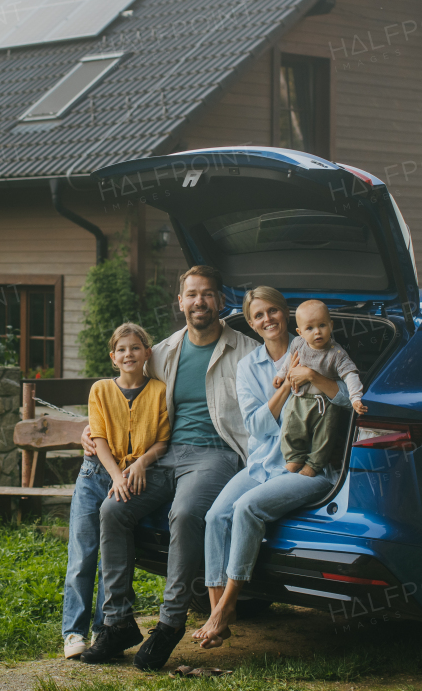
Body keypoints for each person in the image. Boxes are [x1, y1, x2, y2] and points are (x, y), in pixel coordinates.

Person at [81, 265, 257, 671]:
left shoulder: (246, 351)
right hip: (165, 455)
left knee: (185, 512)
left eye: (207, 294)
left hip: (217, 455)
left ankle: (170, 622)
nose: (199, 301)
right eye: (191, 294)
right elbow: (124, 390)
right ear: (180, 302)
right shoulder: (162, 351)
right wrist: (90, 430)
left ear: (221, 301)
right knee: (113, 510)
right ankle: (119, 621)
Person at [194, 288, 355, 649]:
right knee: (215, 516)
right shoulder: (248, 366)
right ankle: (216, 610)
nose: (268, 320)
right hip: (262, 462)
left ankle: (228, 605)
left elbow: (347, 399)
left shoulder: (322, 346)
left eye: (274, 312)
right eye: (260, 315)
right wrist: (285, 384)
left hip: (308, 468)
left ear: (287, 315)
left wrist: (311, 374)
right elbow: (257, 426)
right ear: (252, 324)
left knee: (247, 508)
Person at [63, 322, 170, 659]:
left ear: (147, 353)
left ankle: (103, 630)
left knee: (111, 557)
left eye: (135, 348)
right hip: (96, 476)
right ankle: (73, 632)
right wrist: (117, 476)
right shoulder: (100, 390)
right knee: (83, 554)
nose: (129, 354)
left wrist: (138, 465)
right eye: (122, 349)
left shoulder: (159, 391)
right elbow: (99, 438)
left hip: (132, 477)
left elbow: (163, 440)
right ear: (113, 357)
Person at [274, 299, 367, 473]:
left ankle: (313, 465)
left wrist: (355, 398)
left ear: (331, 326)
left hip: (325, 404)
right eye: (310, 328)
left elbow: (351, 376)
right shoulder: (298, 344)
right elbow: (289, 359)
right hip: (299, 399)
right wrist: (281, 374)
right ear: (299, 332)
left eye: (322, 325)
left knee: (324, 436)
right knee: (291, 428)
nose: (317, 332)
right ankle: (294, 458)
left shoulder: (337, 353)